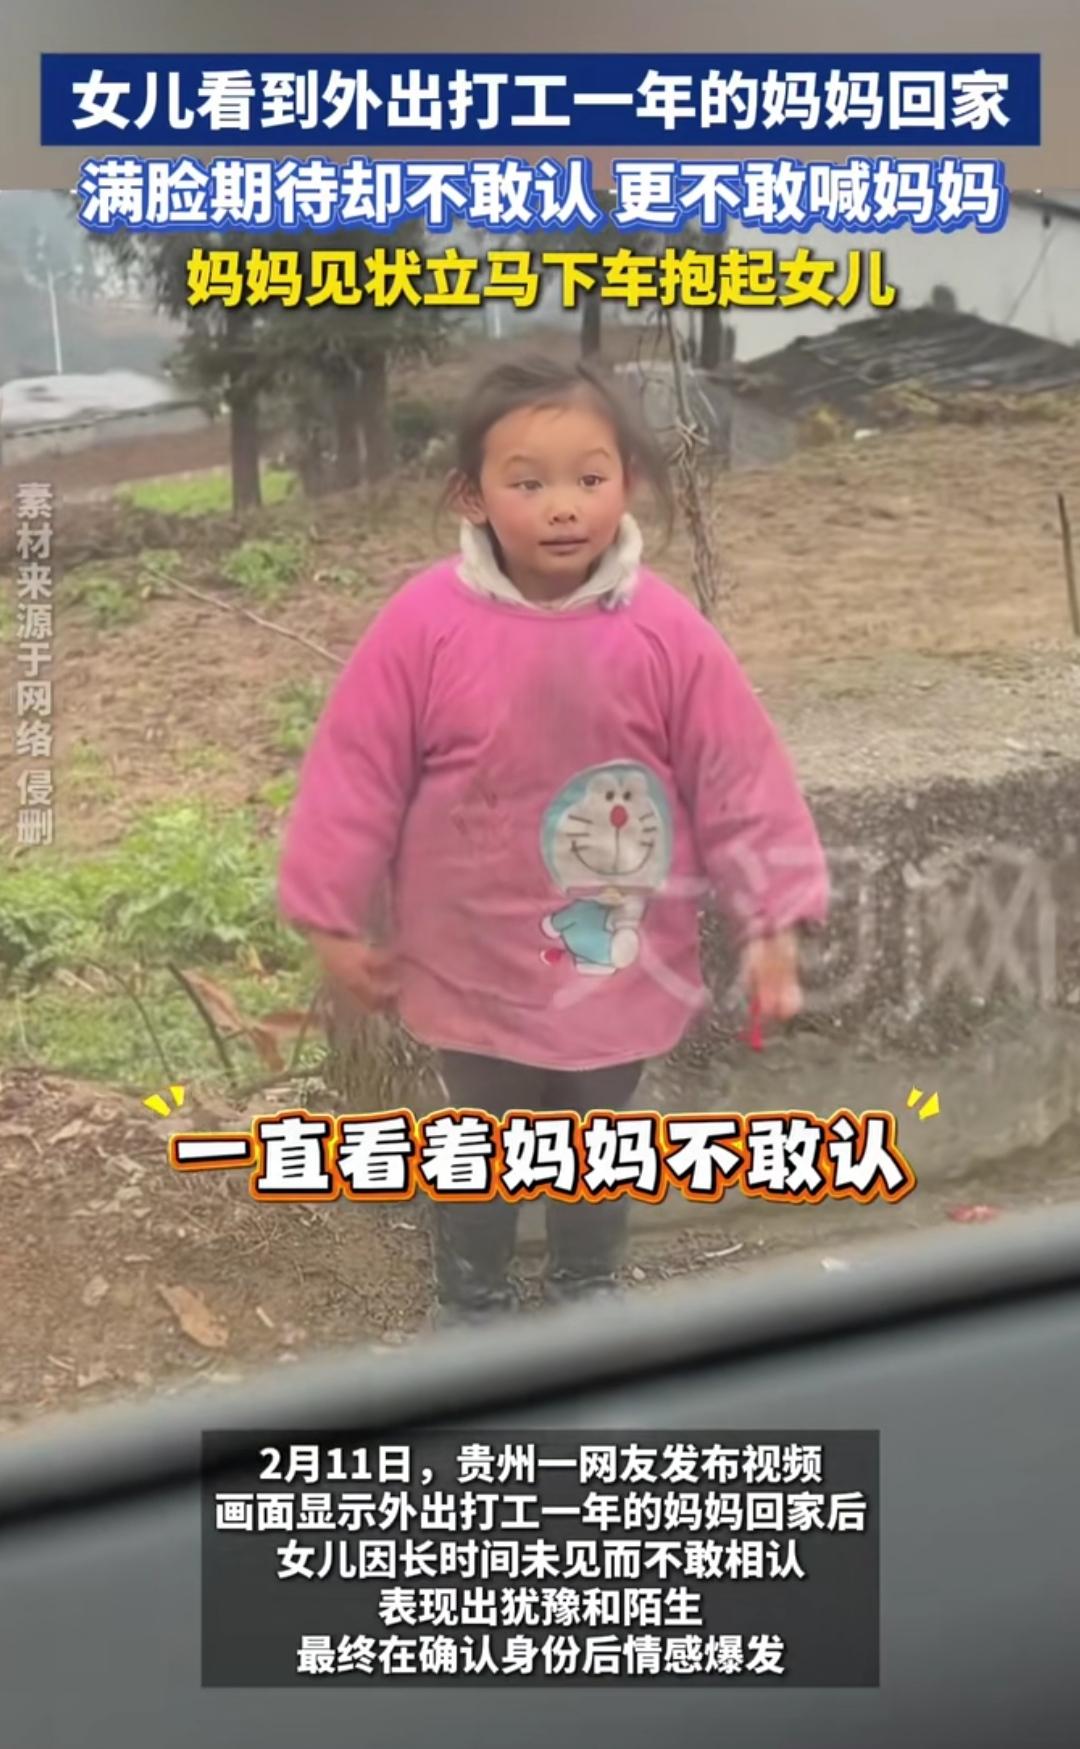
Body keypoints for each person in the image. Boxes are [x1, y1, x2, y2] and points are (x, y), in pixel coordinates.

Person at [277, 354, 829, 1326]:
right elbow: (355, 771)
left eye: (590, 477)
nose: (564, 506)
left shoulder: (665, 632)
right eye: (528, 483)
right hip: (471, 955)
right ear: (473, 496)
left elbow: (739, 776)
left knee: (597, 1129)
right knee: (483, 1133)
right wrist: (331, 918)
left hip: (615, 955)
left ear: (628, 482)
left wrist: (773, 920)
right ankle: (474, 1299)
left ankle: (585, 1287)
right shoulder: (423, 627)